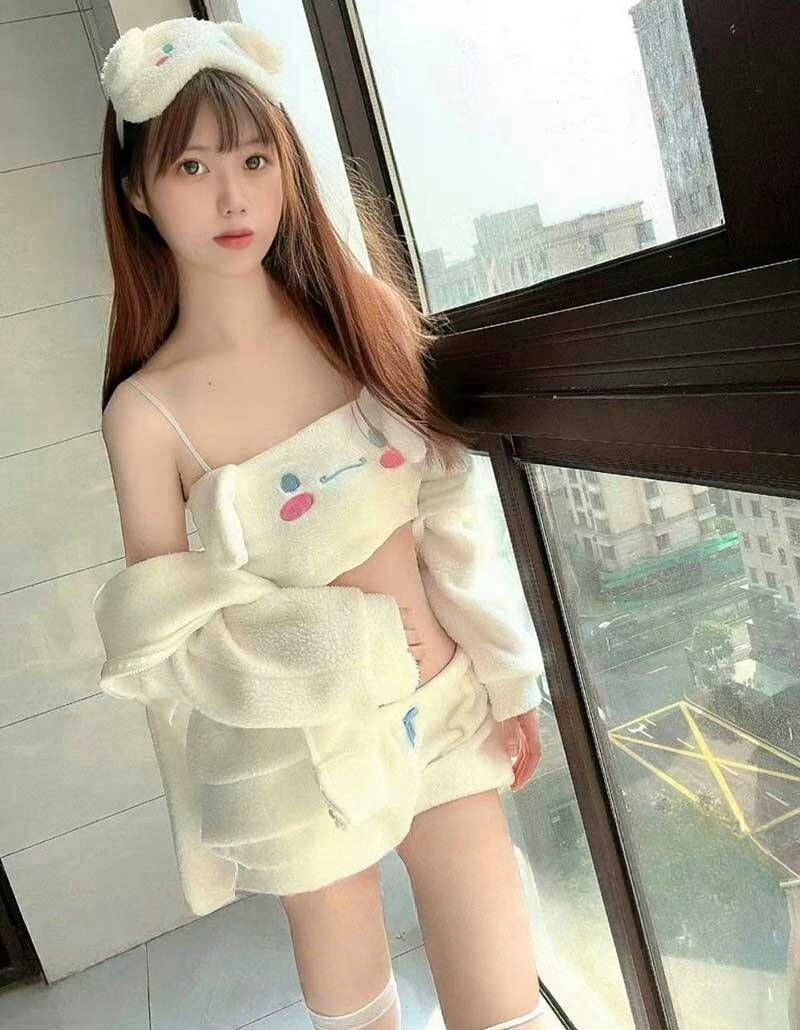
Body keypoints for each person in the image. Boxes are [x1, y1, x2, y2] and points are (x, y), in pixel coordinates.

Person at [94, 16, 546, 1030]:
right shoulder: (146, 413)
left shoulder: (360, 322)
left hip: (443, 709)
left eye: (255, 160)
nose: (232, 196)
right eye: (192, 165)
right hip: (293, 756)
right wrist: (348, 650)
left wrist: (506, 675)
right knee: (359, 1017)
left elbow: (448, 520)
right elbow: (166, 634)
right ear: (136, 191)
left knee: (503, 1008)